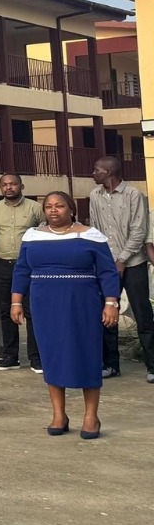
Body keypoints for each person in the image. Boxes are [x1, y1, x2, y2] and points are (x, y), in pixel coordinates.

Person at [12, 192, 121, 439]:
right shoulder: (33, 236)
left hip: (82, 303)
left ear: (70, 209)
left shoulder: (90, 235)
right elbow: (22, 270)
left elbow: (108, 272)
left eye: (59, 206)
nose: (53, 210)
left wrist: (111, 302)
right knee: (52, 355)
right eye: (48, 206)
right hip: (44, 304)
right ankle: (59, 414)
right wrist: (16, 301)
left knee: (87, 354)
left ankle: (91, 416)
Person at [87, 156, 152, 383]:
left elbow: (139, 230)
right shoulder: (94, 196)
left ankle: (152, 366)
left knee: (143, 314)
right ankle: (110, 365)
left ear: (109, 172)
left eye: (96, 169)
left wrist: (122, 259)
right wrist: (106, 261)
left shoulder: (134, 195)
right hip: (107, 264)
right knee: (107, 313)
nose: (93, 173)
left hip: (133, 263)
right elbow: (95, 228)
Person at [0, 174, 45, 373]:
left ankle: (36, 357)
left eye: (13, 184)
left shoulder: (35, 208)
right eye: (4, 184)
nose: (9, 187)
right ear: (0, 187)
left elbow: (44, 232)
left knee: (32, 310)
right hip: (3, 265)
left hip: (29, 265)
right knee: (5, 311)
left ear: (21, 185)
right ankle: (10, 356)